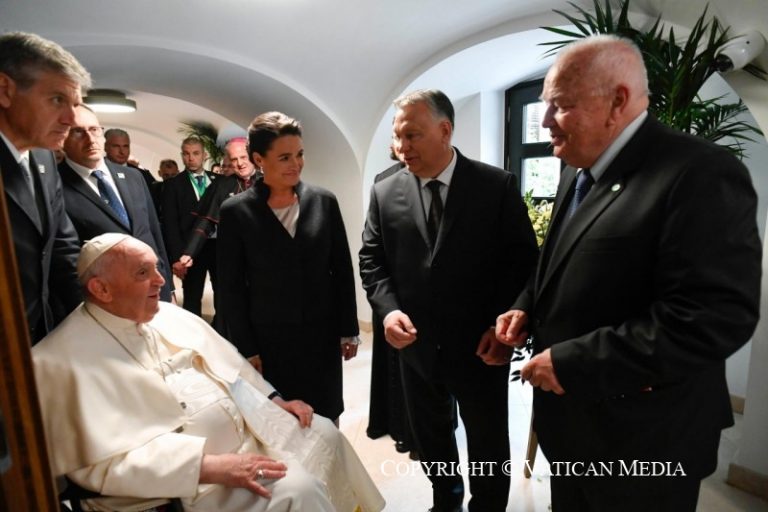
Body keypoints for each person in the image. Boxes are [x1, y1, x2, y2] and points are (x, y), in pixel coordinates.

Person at [495, 35, 762, 512]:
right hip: (571, 429)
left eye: (561, 105)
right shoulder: (575, 169)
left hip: (643, 440)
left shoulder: (699, 172)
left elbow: (714, 318)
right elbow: (557, 262)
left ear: (617, 101)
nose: (546, 120)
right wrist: (525, 306)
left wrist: (574, 363)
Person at [33, 233, 385, 512]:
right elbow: (99, 466)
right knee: (296, 489)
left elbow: (232, 367)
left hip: (247, 435)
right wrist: (211, 467)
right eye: (143, 273)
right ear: (101, 288)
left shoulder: (167, 314)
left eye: (157, 268)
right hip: (189, 481)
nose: (161, 280)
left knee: (324, 433)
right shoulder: (60, 360)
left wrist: (276, 400)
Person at [359, 89, 538, 512]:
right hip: (416, 345)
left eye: (412, 135)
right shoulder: (385, 190)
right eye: (397, 136)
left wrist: (502, 326)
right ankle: (446, 500)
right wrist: (389, 311)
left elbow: (524, 263)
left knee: (487, 441)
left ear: (445, 130)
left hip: (481, 345)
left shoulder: (495, 186)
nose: (402, 146)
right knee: (431, 436)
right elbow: (372, 259)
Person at [218, 112, 360, 423]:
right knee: (280, 421)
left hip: (320, 334)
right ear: (259, 159)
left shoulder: (323, 201)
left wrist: (349, 328)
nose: (296, 164)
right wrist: (246, 346)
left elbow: (341, 269)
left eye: (299, 154)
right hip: (269, 338)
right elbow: (230, 287)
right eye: (284, 157)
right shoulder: (236, 212)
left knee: (325, 416)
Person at [0, 31, 90, 343]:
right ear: (5, 90)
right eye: (57, 100)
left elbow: (62, 247)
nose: (71, 119)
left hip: (39, 335)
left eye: (75, 104)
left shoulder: (44, 157)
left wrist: (96, 319)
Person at [58, 105, 174, 301]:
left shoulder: (133, 177)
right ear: (62, 138)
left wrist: (169, 288)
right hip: (107, 298)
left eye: (94, 130)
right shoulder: (55, 185)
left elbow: (154, 233)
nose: (90, 139)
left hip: (155, 288)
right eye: (78, 131)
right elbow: (63, 257)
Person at [162, 136, 217, 317]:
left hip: (218, 247)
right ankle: (193, 332)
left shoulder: (218, 180)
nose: (191, 158)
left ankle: (222, 330)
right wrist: (177, 257)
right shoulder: (173, 185)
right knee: (192, 298)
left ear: (204, 155)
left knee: (224, 295)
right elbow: (170, 224)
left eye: (195, 153)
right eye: (186, 154)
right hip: (190, 251)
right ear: (182, 156)